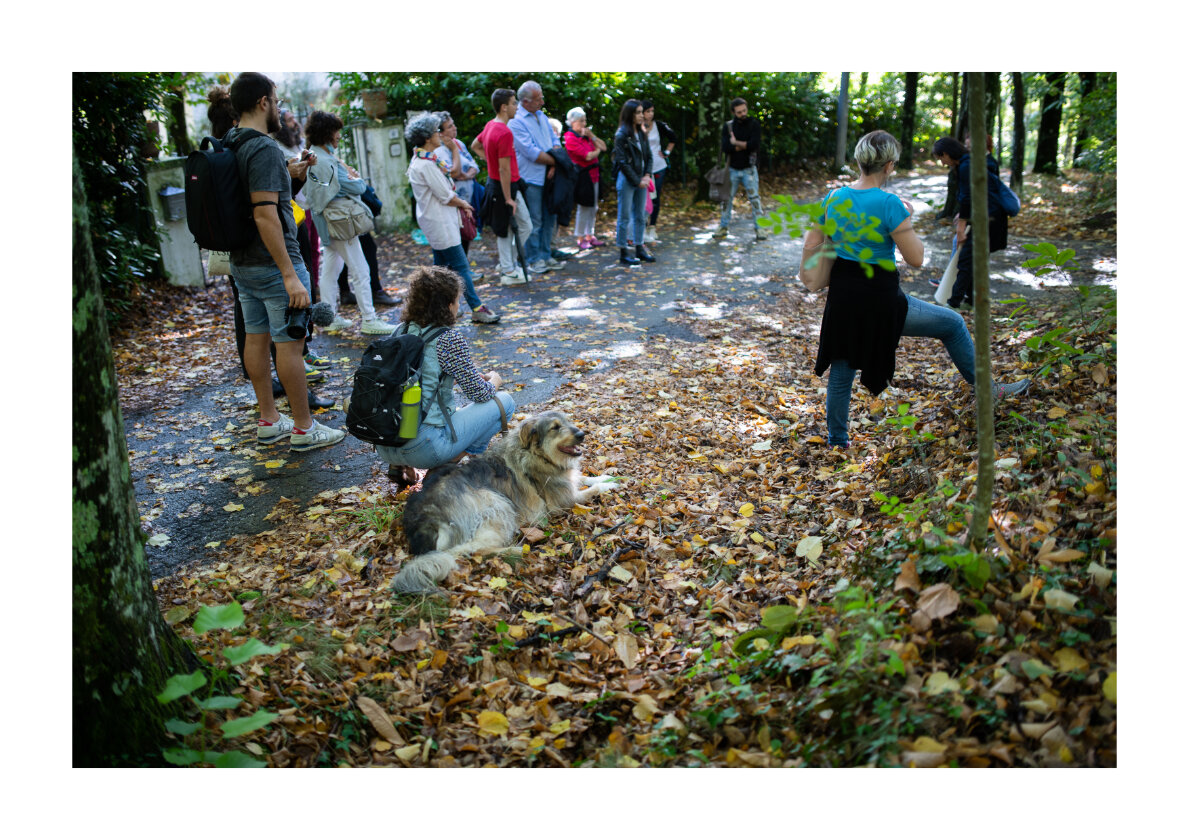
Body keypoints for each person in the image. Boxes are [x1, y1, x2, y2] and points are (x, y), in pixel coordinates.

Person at [804, 130, 1030, 449]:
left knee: (842, 367)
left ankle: (837, 442)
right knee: (952, 323)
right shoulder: (890, 204)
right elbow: (917, 258)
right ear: (890, 166)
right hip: (881, 301)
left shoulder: (833, 198)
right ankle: (990, 391)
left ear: (858, 160)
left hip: (843, 298)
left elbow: (816, 241)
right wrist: (906, 217)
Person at [224, 73, 345, 451]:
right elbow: (264, 214)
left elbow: (261, 199)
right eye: (275, 100)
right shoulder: (261, 147)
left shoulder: (232, 140)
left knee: (257, 338)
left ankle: (269, 420)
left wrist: (290, 175)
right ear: (263, 102)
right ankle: (305, 429)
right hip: (274, 265)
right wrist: (290, 275)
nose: (278, 108)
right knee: (289, 346)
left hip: (242, 262)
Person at [376, 266, 516, 487]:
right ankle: (447, 463)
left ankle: (399, 464)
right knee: (504, 402)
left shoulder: (398, 331)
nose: (458, 307)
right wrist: (496, 381)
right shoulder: (448, 338)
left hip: (386, 443)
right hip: (425, 447)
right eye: (458, 301)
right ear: (449, 304)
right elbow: (479, 394)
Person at [303, 110, 396, 336]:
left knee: (331, 270)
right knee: (361, 270)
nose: (339, 136)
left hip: (327, 221)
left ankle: (330, 318)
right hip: (340, 222)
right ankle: (369, 319)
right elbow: (356, 187)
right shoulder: (325, 160)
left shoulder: (311, 156)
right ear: (327, 133)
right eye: (336, 131)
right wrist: (356, 178)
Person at [405, 112, 501, 325]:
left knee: (440, 269)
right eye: (436, 131)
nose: (439, 135)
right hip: (439, 221)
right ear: (428, 137)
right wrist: (464, 203)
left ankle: (438, 310)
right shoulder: (425, 164)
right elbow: (445, 195)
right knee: (461, 266)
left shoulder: (426, 159)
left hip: (439, 220)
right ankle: (477, 308)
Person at [932, 136, 1010, 310]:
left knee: (965, 260)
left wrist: (961, 227)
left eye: (941, 158)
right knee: (971, 259)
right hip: (984, 217)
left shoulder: (968, 166)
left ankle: (953, 303)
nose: (943, 163)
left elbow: (968, 198)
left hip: (988, 220)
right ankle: (971, 301)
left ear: (946, 153)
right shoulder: (965, 164)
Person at [473, 88, 533, 285]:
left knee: (522, 226)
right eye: (514, 103)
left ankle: (509, 262)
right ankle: (508, 269)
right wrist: (508, 198)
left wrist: (491, 162)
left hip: (502, 184)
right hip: (503, 187)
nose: (517, 107)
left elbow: (475, 145)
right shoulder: (504, 132)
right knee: (508, 228)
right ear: (504, 107)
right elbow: (504, 170)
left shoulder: (490, 125)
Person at [509, 80, 564, 274]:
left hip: (549, 176)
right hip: (530, 178)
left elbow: (555, 140)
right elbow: (530, 151)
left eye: (541, 97)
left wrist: (555, 161)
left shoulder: (541, 116)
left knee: (550, 217)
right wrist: (555, 161)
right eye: (538, 99)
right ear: (525, 101)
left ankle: (546, 255)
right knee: (534, 220)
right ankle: (533, 259)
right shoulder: (516, 121)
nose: (542, 102)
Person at [433, 110, 486, 262]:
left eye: (453, 124)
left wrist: (468, 175)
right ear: (441, 133)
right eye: (449, 127)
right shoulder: (440, 151)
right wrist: (454, 152)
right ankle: (459, 270)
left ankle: (464, 267)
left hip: (468, 196)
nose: (454, 128)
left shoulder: (459, 143)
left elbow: (474, 166)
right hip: (454, 201)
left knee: (468, 233)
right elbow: (453, 172)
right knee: (457, 236)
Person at [714, 97, 766, 240]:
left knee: (754, 199)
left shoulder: (754, 124)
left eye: (744, 110)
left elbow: (754, 145)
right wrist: (744, 145)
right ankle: (723, 227)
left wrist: (736, 143)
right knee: (726, 199)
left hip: (749, 168)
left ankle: (760, 228)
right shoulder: (729, 126)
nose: (743, 114)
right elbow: (726, 147)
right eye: (739, 112)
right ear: (733, 112)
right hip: (732, 169)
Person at [612, 99, 655, 266]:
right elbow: (622, 162)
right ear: (630, 114)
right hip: (629, 180)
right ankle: (623, 251)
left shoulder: (641, 132)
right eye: (637, 112)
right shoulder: (622, 134)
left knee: (640, 215)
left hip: (641, 180)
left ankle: (639, 247)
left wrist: (646, 176)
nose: (641, 115)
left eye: (641, 112)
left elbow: (649, 157)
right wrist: (638, 181)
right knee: (624, 216)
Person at [563, 107, 607, 250]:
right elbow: (587, 156)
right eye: (581, 121)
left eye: (585, 120)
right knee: (584, 206)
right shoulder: (570, 138)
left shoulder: (586, 135)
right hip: (582, 177)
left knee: (593, 207)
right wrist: (597, 151)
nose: (584, 123)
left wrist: (592, 136)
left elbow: (603, 147)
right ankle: (580, 237)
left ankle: (590, 235)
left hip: (594, 175)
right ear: (573, 122)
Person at [640, 100, 676, 245]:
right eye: (647, 111)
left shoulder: (660, 125)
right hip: (643, 169)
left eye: (652, 111)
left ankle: (652, 227)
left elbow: (673, 138)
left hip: (658, 166)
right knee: (643, 198)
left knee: (655, 198)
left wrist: (667, 151)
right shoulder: (636, 127)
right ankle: (641, 228)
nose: (650, 114)